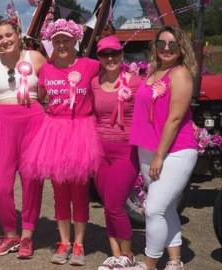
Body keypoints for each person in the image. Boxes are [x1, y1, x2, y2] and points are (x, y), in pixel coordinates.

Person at [21, 18, 101, 265]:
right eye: (57, 40)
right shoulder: (46, 69)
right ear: (51, 43)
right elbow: (38, 97)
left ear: (76, 40)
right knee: (59, 193)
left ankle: (78, 244)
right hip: (54, 133)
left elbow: (110, 86)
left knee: (79, 192)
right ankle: (64, 242)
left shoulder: (90, 66)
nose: (62, 44)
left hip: (81, 132)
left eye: (66, 39)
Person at [124, 26, 198, 270]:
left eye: (173, 44)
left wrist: (158, 156)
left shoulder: (180, 74)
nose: (166, 48)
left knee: (154, 209)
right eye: (162, 43)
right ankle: (175, 261)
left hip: (174, 151)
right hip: (149, 149)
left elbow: (175, 118)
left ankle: (148, 264)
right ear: (155, 46)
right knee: (165, 208)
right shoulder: (154, 72)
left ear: (181, 49)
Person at [0, 19, 46, 259]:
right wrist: (1, 112)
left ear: (18, 35)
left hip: (33, 121)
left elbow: (49, 89)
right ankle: (10, 234)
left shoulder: (36, 58)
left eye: (9, 35)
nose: (5, 40)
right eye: (0, 37)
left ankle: (27, 235)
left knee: (32, 180)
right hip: (2, 124)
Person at [91, 35, 142, 269]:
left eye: (114, 53)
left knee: (115, 204)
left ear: (121, 55)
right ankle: (115, 255)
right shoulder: (95, 82)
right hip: (100, 151)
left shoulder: (135, 82)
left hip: (126, 151)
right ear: (99, 57)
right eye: (104, 54)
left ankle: (128, 255)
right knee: (107, 204)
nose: (110, 58)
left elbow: (154, 111)